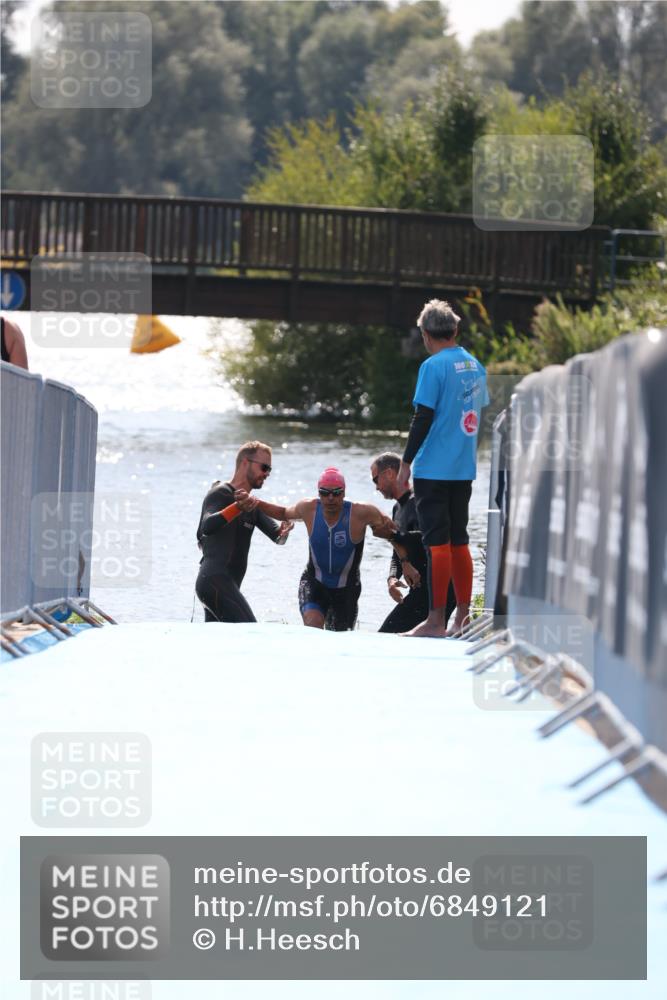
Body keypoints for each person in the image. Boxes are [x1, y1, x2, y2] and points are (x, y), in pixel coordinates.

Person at [397, 299, 488, 638]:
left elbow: (423, 417)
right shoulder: (475, 366)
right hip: (463, 469)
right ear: (456, 330)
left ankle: (435, 621)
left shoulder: (433, 367)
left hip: (434, 469)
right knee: (459, 541)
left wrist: (405, 464)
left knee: (437, 543)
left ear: (425, 334)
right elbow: (478, 420)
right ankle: (462, 616)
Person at [236, 467, 412, 631]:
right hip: (314, 584)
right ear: (318, 493)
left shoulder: (362, 512)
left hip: (347, 590)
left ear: (344, 493)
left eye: (336, 493)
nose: (330, 498)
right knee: (313, 630)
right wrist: (255, 502)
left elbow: (392, 535)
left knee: (340, 640)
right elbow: (283, 512)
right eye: (324, 493)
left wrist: (404, 563)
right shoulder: (308, 508)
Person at [195, 440, 293, 622]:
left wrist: (284, 531)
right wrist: (237, 507)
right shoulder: (221, 493)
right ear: (245, 463)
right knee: (251, 633)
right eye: (264, 467)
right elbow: (206, 527)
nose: (267, 474)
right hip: (213, 580)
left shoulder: (252, 506)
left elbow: (277, 537)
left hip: (228, 586)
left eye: (269, 470)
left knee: (219, 645)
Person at [371, 451, 456, 634]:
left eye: (375, 480)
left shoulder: (419, 502)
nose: (376, 487)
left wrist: (394, 534)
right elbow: (399, 551)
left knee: (385, 637)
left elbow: (428, 538)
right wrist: (393, 577)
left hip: (439, 590)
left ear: (389, 474)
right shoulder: (397, 508)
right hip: (420, 590)